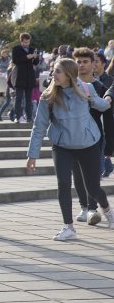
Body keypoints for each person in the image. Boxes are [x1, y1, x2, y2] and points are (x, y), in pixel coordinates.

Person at [27, 58, 114, 241]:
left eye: (57, 71)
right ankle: (68, 227)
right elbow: (39, 127)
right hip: (62, 147)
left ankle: (106, 209)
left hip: (88, 144)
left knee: (93, 188)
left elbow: (103, 106)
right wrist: (32, 154)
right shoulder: (48, 97)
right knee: (63, 184)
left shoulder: (86, 89)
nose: (53, 75)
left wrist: (106, 98)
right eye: (53, 72)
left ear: (68, 75)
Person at [72, 48, 114, 223]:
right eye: (78, 62)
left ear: (93, 64)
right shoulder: (69, 86)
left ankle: (92, 209)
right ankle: (85, 207)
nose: (81, 65)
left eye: (85, 62)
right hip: (73, 136)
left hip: (95, 138)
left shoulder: (100, 88)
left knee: (92, 176)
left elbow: (108, 119)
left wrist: (109, 147)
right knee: (77, 175)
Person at [12, 32, 40, 123]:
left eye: (27, 42)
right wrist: (26, 57)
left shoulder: (32, 49)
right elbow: (15, 61)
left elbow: (35, 63)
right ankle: (17, 116)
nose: (26, 44)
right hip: (19, 77)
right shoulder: (16, 49)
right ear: (21, 41)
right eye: (24, 42)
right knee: (18, 98)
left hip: (29, 77)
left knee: (29, 99)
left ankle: (29, 117)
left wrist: (35, 57)